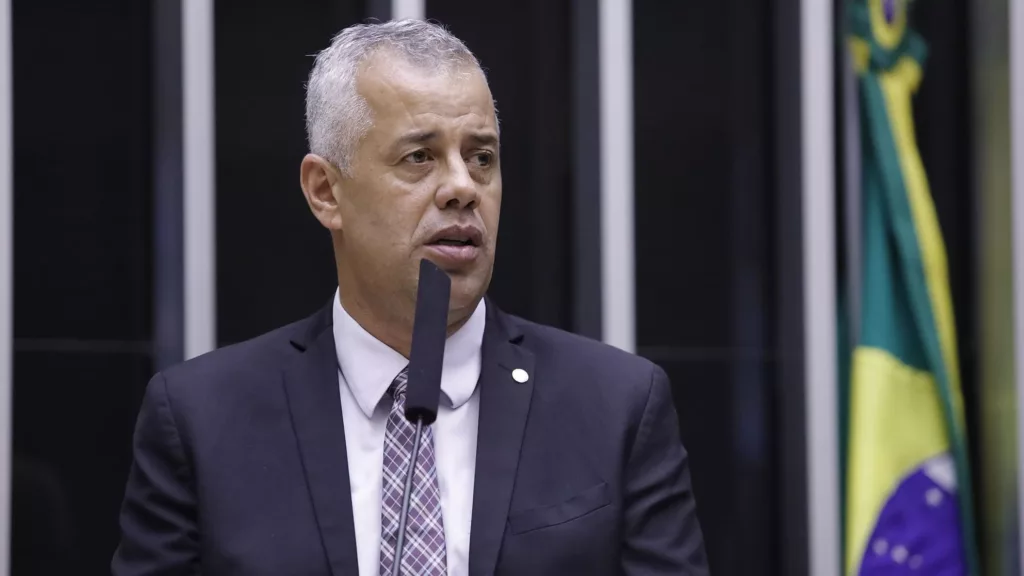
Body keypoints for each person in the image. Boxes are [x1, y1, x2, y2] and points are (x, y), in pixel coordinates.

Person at [111, 19, 708, 576]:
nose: (461, 188)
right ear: (326, 192)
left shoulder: (617, 405)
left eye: (482, 158)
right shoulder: (200, 418)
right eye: (420, 157)